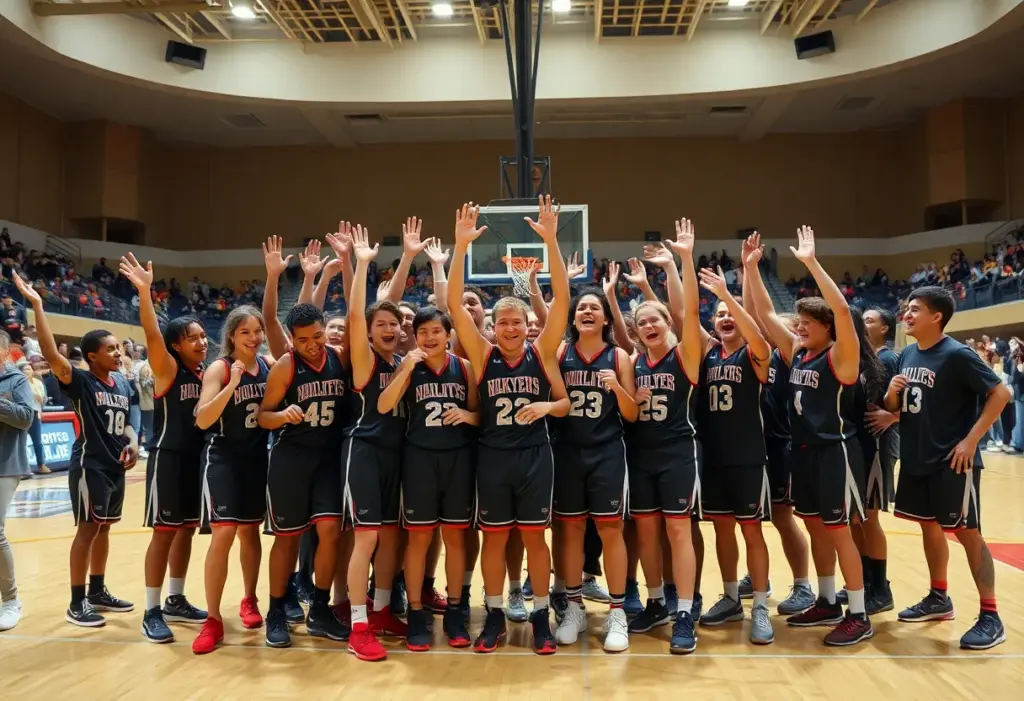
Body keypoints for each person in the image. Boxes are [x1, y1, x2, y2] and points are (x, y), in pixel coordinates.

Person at [447, 198, 571, 655]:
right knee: (495, 539)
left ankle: (540, 615)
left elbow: (563, 297)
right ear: (494, 327)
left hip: (535, 455)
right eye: (503, 322)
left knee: (536, 539)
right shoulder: (482, 355)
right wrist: (460, 248)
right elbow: (454, 307)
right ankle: (495, 613)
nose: (510, 328)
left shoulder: (542, 352)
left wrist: (552, 241)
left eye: (517, 322)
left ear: (527, 325)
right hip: (493, 456)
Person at [745, 227, 873, 646]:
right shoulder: (799, 352)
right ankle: (825, 599)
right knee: (816, 526)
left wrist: (811, 264)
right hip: (804, 453)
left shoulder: (841, 356)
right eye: (797, 322)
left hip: (835, 451)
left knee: (838, 531)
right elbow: (764, 316)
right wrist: (751, 269)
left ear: (827, 326)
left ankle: (858, 612)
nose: (797, 327)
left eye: (805, 323)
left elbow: (839, 307)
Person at [886, 286, 1009, 650]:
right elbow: (911, 404)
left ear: (936, 316)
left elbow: (1000, 393)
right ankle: (939, 597)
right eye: (907, 309)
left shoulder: (957, 354)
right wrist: (893, 396)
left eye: (915, 309)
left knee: (968, 532)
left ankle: (991, 615)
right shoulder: (907, 353)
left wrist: (971, 441)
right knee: (929, 526)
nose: (907, 315)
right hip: (917, 457)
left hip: (953, 460)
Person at [15, 274, 139, 628]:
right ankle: (76, 601)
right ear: (91, 357)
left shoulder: (123, 383)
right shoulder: (80, 380)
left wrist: (131, 442)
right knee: (87, 530)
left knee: (104, 530)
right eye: (111, 349)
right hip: (90, 465)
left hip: (116, 466)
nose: (119, 353)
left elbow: (127, 424)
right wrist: (38, 306)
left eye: (120, 348)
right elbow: (52, 354)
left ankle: (98, 591)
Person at [118, 254, 209, 644]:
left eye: (204, 336)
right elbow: (151, 334)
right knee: (164, 533)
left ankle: (175, 598)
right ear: (176, 345)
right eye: (193, 338)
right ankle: (152, 609)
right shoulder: (168, 368)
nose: (202, 342)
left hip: (196, 461)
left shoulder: (205, 372)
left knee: (186, 532)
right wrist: (144, 291)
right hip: (168, 459)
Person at [377, 306, 478, 651]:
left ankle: (453, 611)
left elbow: (481, 416)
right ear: (415, 336)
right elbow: (383, 404)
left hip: (457, 461)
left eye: (436, 331)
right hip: (418, 460)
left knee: (454, 539)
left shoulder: (464, 368)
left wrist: (468, 414)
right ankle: (417, 613)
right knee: (418, 540)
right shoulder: (410, 368)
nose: (430, 337)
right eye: (423, 332)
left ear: (448, 334)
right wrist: (404, 368)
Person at [622, 224, 700, 655]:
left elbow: (688, 311)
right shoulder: (634, 361)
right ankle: (655, 601)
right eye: (642, 323)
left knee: (678, 531)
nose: (649, 324)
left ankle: (684, 611)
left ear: (666, 323)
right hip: (640, 452)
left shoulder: (684, 353)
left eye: (655, 319)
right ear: (636, 332)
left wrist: (680, 261)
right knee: (647, 534)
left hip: (676, 452)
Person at [550, 285, 637, 652]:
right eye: (581, 308)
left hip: (606, 451)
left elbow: (632, 413)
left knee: (609, 528)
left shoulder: (619, 356)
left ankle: (617, 611)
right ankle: (573, 606)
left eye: (594, 308)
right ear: (573, 317)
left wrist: (618, 387)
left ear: (605, 318)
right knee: (569, 530)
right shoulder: (559, 352)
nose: (587, 312)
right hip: (567, 451)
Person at [691, 264, 775, 645]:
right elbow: (682, 315)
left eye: (732, 315)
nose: (726, 318)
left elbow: (760, 338)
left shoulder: (754, 355)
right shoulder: (708, 356)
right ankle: (729, 596)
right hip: (713, 459)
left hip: (748, 457)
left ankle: (759, 604)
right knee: (723, 530)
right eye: (720, 315)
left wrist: (728, 296)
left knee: (751, 530)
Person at [259, 303, 349, 648]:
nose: (312, 344)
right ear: (291, 340)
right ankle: (276, 610)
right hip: (291, 460)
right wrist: (283, 414)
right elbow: (264, 416)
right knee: (287, 538)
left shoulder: (339, 357)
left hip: (328, 458)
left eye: (317, 336)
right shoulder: (285, 366)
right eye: (302, 340)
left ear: (325, 329)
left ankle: (321, 609)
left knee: (329, 531)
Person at [343, 224, 411, 662]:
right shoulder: (366, 361)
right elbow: (355, 317)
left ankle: (384, 610)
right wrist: (363, 264)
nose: (389, 327)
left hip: (398, 456)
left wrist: (405, 261)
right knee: (366, 539)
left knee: (391, 537)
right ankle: (359, 624)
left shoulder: (405, 359)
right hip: (365, 452)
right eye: (381, 324)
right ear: (369, 333)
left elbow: (391, 305)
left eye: (394, 323)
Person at [738, 240, 815, 615]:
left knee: (784, 517)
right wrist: (747, 272)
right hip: (752, 445)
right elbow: (750, 317)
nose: (769, 330)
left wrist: (751, 273)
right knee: (750, 519)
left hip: (780, 444)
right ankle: (757, 576)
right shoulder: (755, 354)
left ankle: (803, 585)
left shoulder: (789, 355)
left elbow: (762, 314)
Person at [191, 305, 272, 654]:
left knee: (250, 531)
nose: (254, 338)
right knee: (223, 533)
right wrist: (234, 384)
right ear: (231, 336)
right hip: (222, 458)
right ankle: (212, 619)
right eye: (246, 332)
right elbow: (202, 419)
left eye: (258, 331)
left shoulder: (268, 366)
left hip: (256, 458)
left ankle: (250, 600)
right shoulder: (220, 368)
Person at [0, 330, 35, 631]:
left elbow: (26, 418)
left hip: (5, 464)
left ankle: (10, 601)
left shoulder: (17, 381)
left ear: (4, 352)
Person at [21, 362, 49, 474]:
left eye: (29, 369)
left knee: (38, 442)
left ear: (32, 371)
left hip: (36, 413)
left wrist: (41, 402)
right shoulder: (19, 383)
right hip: (22, 414)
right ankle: (23, 469)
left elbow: (44, 398)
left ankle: (41, 465)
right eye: (24, 370)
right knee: (21, 443)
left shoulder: (38, 383)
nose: (27, 371)